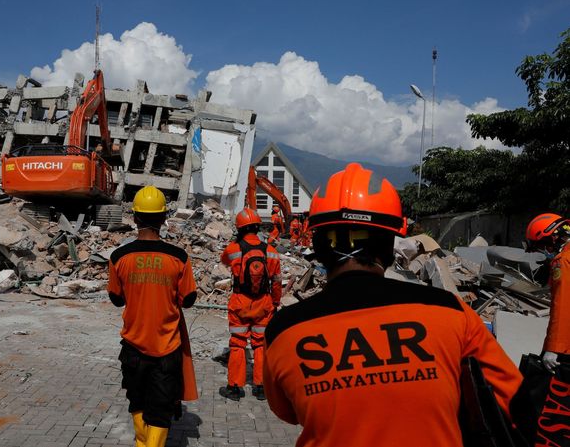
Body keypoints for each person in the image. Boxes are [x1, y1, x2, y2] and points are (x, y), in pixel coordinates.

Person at [263, 162, 524, 447]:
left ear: (317, 243)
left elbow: (287, 412)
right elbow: (514, 402)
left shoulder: (284, 329)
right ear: (390, 245)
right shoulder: (450, 311)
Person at [108, 186, 198, 447]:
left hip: (133, 348)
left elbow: (116, 299)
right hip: (167, 350)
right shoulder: (179, 258)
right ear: (163, 218)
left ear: (135, 218)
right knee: (160, 410)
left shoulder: (119, 257)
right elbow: (189, 299)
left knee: (137, 402)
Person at [220, 207, 282, 401]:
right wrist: (276, 301)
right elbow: (277, 281)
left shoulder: (233, 249)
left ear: (240, 228)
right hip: (263, 303)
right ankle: (261, 387)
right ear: (257, 227)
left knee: (238, 344)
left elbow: (223, 260)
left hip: (240, 302)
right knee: (260, 344)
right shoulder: (270, 252)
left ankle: (235, 387)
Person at [525, 213, 570, 445]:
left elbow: (563, 305)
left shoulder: (564, 260)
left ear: (551, 238)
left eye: (541, 247)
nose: (543, 252)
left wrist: (553, 348)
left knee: (559, 409)